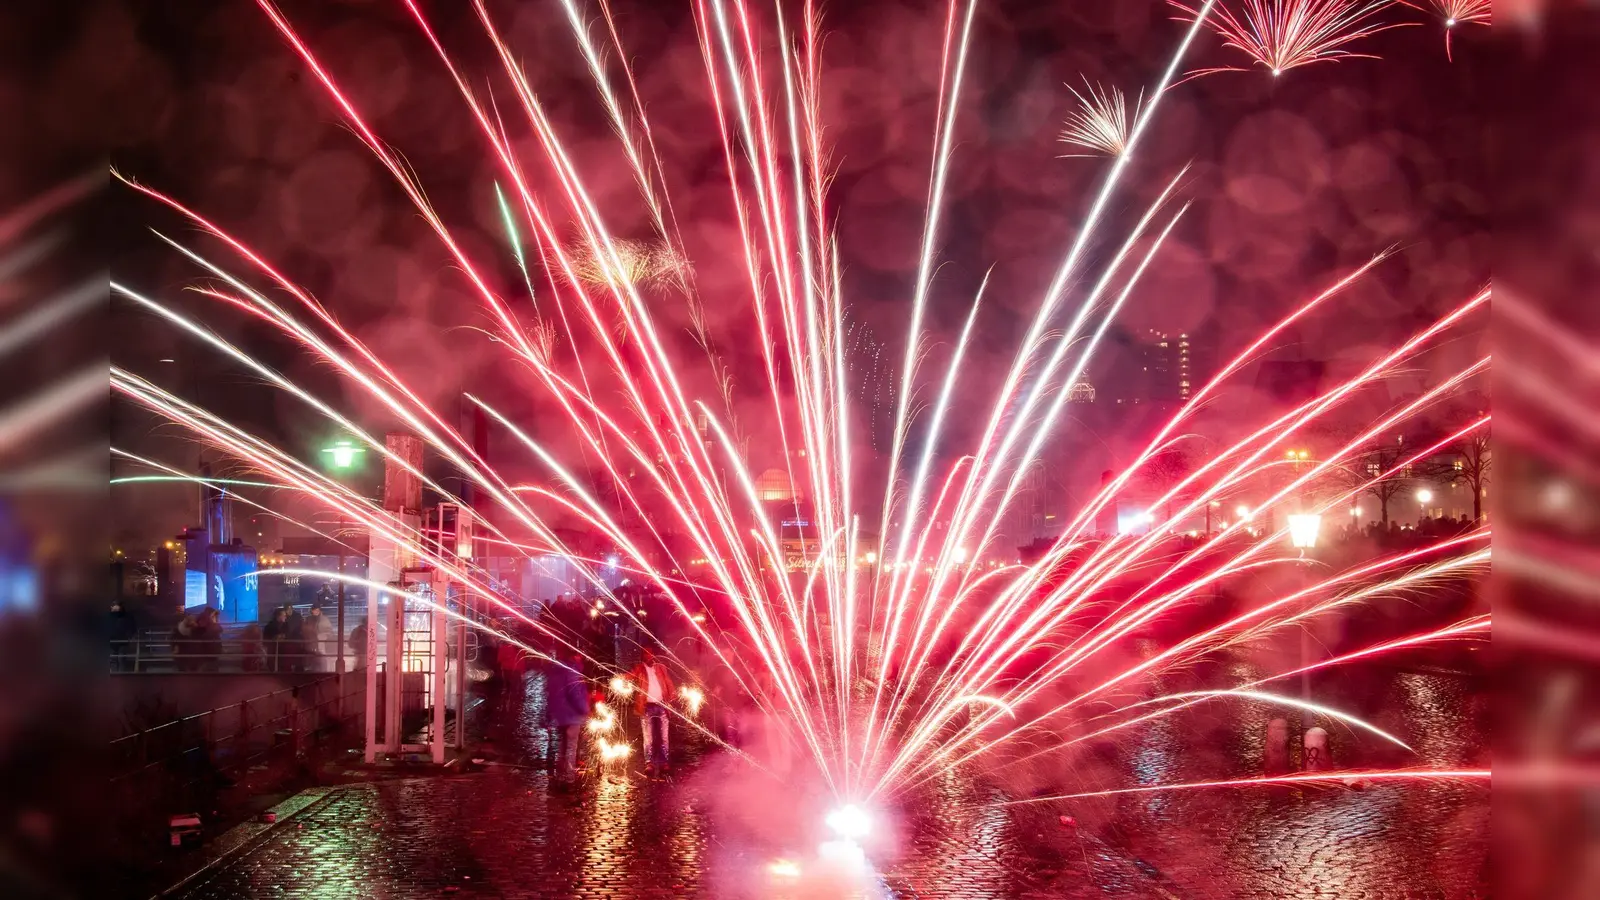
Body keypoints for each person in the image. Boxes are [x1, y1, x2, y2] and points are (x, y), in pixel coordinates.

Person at [544, 652, 590, 786]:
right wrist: (585, 709)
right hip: (572, 715)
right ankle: (569, 779)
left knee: (562, 747)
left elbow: (550, 693)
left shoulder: (556, 670)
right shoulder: (572, 671)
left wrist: (550, 714)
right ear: (575, 657)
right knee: (571, 748)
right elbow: (575, 693)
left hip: (560, 715)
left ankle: (560, 776)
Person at [629, 647, 675, 775]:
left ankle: (664, 762)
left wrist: (672, 694)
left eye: (650, 653)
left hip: (662, 705)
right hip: (646, 707)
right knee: (648, 737)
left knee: (664, 737)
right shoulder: (640, 668)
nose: (649, 656)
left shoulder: (660, 667)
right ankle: (649, 763)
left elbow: (668, 681)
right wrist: (620, 679)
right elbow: (630, 675)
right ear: (643, 656)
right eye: (646, 654)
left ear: (653, 655)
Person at [496, 632, 528, 718]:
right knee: (513, 689)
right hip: (514, 672)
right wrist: (522, 673)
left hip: (507, 671)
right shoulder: (520, 649)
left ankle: (506, 705)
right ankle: (511, 706)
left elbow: (499, 660)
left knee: (508, 688)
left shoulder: (505, 648)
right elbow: (522, 662)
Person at [305, 606, 334, 672]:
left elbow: (329, 632)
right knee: (315, 660)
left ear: (318, 610)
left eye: (314, 610)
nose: (313, 612)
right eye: (312, 610)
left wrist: (321, 636)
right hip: (313, 644)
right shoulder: (310, 619)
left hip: (320, 643)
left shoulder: (324, 619)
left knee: (321, 659)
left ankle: (322, 672)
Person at [194, 607, 223, 672]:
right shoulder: (204, 621)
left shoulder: (206, 621)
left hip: (210, 652)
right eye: (213, 615)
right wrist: (214, 623)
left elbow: (220, 629)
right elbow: (218, 629)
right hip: (207, 652)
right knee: (207, 671)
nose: (215, 617)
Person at [263, 607, 292, 672]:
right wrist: (275, 638)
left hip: (284, 652)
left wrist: (282, 636)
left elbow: (288, 636)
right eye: (284, 615)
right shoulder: (269, 626)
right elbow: (265, 639)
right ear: (278, 616)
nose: (286, 617)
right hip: (273, 652)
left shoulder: (286, 625)